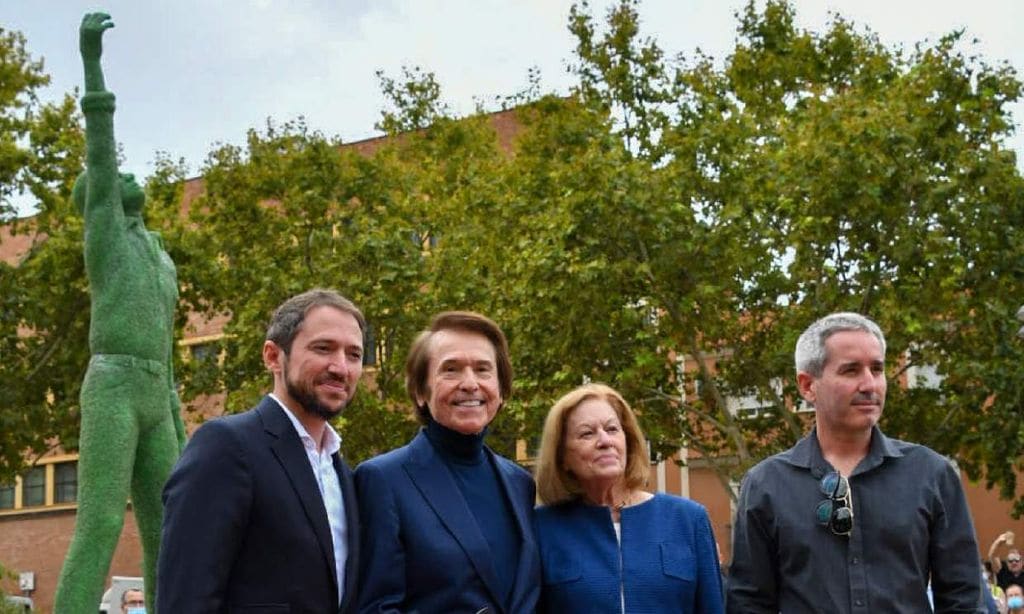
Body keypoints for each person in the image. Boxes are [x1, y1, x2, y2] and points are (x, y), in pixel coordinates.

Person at [54, 13, 186, 613]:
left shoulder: (160, 258)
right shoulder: (105, 233)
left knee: (170, 522)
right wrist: (91, 61)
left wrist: (177, 416)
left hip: (157, 391)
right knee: (102, 520)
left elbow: (165, 346)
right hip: (111, 384)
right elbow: (102, 154)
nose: (127, 175)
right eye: (112, 179)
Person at [727, 312, 985, 613]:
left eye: (877, 369)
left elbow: (963, 599)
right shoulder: (765, 485)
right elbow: (749, 603)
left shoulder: (931, 474)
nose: (869, 384)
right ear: (808, 386)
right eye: (851, 371)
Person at [158, 289, 365, 612]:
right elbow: (186, 599)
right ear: (272, 356)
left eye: (354, 355)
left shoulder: (343, 472)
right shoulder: (225, 446)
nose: (341, 367)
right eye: (323, 348)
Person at [355, 311, 541, 613]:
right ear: (419, 391)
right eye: (451, 370)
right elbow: (375, 607)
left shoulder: (519, 483)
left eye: (483, 370)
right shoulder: (383, 480)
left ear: (502, 390)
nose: (470, 383)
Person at [533, 383, 724, 613]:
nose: (605, 441)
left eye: (612, 429)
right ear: (562, 457)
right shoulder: (542, 529)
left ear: (628, 441)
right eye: (587, 433)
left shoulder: (688, 520)